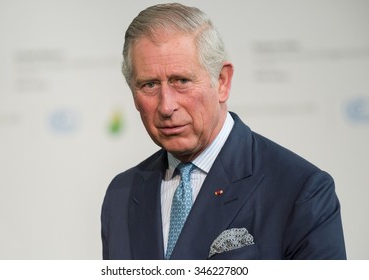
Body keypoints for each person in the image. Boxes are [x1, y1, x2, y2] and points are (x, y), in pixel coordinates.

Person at [101, 3, 346, 260]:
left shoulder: (300, 190)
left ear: (222, 82)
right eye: (149, 85)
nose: (166, 106)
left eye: (181, 81)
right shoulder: (122, 194)